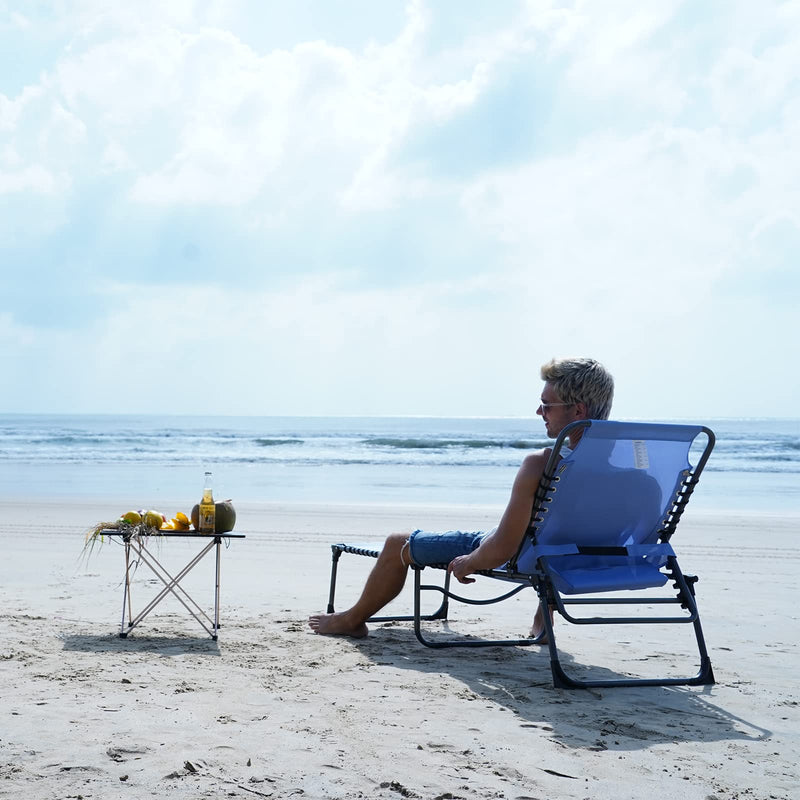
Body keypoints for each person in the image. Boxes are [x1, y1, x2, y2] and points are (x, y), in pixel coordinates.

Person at [308, 357, 615, 642]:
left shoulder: (540, 465)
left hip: (521, 554)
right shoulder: (629, 470)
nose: (539, 412)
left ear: (578, 411)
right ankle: (542, 621)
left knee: (396, 543)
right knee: (551, 540)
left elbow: (502, 549)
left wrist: (468, 562)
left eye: (546, 405)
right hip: (578, 559)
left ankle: (350, 620)